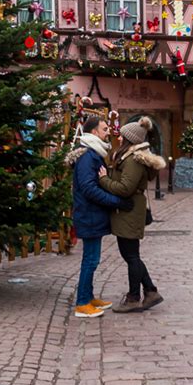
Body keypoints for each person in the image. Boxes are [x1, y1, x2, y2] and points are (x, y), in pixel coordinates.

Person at [67, 115, 134, 319]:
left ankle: (88, 296)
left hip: (93, 214)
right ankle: (82, 303)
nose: (108, 133)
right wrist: (115, 201)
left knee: (93, 258)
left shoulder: (94, 153)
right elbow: (88, 188)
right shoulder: (88, 156)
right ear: (94, 132)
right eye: (105, 129)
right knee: (90, 259)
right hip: (89, 214)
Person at [98, 116, 166, 313]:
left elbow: (125, 188)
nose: (118, 139)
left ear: (130, 140)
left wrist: (103, 180)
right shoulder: (130, 157)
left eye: (122, 137)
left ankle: (134, 297)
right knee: (131, 255)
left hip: (129, 210)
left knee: (131, 256)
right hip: (127, 210)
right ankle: (150, 292)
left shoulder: (134, 161)